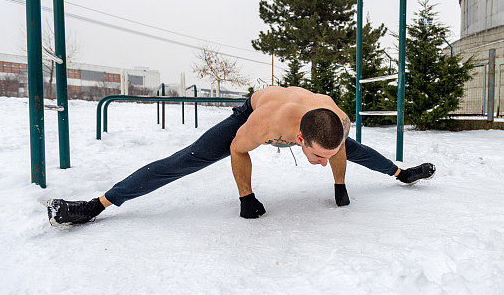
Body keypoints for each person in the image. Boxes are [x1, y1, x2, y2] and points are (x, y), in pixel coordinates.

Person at [47, 86, 435, 225]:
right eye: (316, 158)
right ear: (299, 138)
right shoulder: (266, 123)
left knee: (357, 151)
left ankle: (400, 174)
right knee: (186, 160)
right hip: (252, 111)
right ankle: (97, 204)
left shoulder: (336, 121)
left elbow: (336, 151)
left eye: (326, 156)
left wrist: (339, 185)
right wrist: (246, 197)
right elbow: (238, 150)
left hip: (311, 117)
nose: (319, 163)